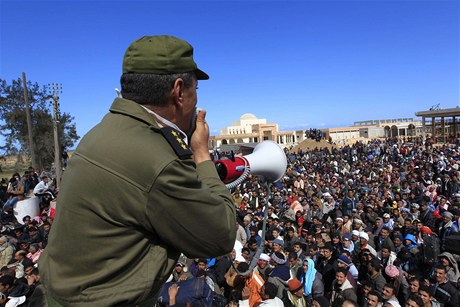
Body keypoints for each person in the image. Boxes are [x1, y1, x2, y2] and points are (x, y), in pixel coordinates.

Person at [39, 35, 237, 306]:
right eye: (196, 90)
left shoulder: (101, 132)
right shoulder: (157, 159)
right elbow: (221, 234)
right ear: (179, 91)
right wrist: (201, 153)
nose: (195, 101)